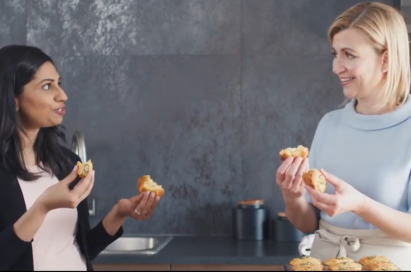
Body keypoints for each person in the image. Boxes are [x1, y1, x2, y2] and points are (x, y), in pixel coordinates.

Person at [0, 44, 161, 271]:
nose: (62, 95)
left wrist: (119, 212)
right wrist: (42, 207)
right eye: (47, 86)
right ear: (13, 98)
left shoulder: (67, 163)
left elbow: (83, 249)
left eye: (59, 84)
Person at [276, 2, 411, 270]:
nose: (337, 67)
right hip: (324, 261)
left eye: (349, 55)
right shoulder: (330, 124)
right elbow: (310, 223)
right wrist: (292, 196)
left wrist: (360, 205)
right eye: (335, 54)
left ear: (385, 59)